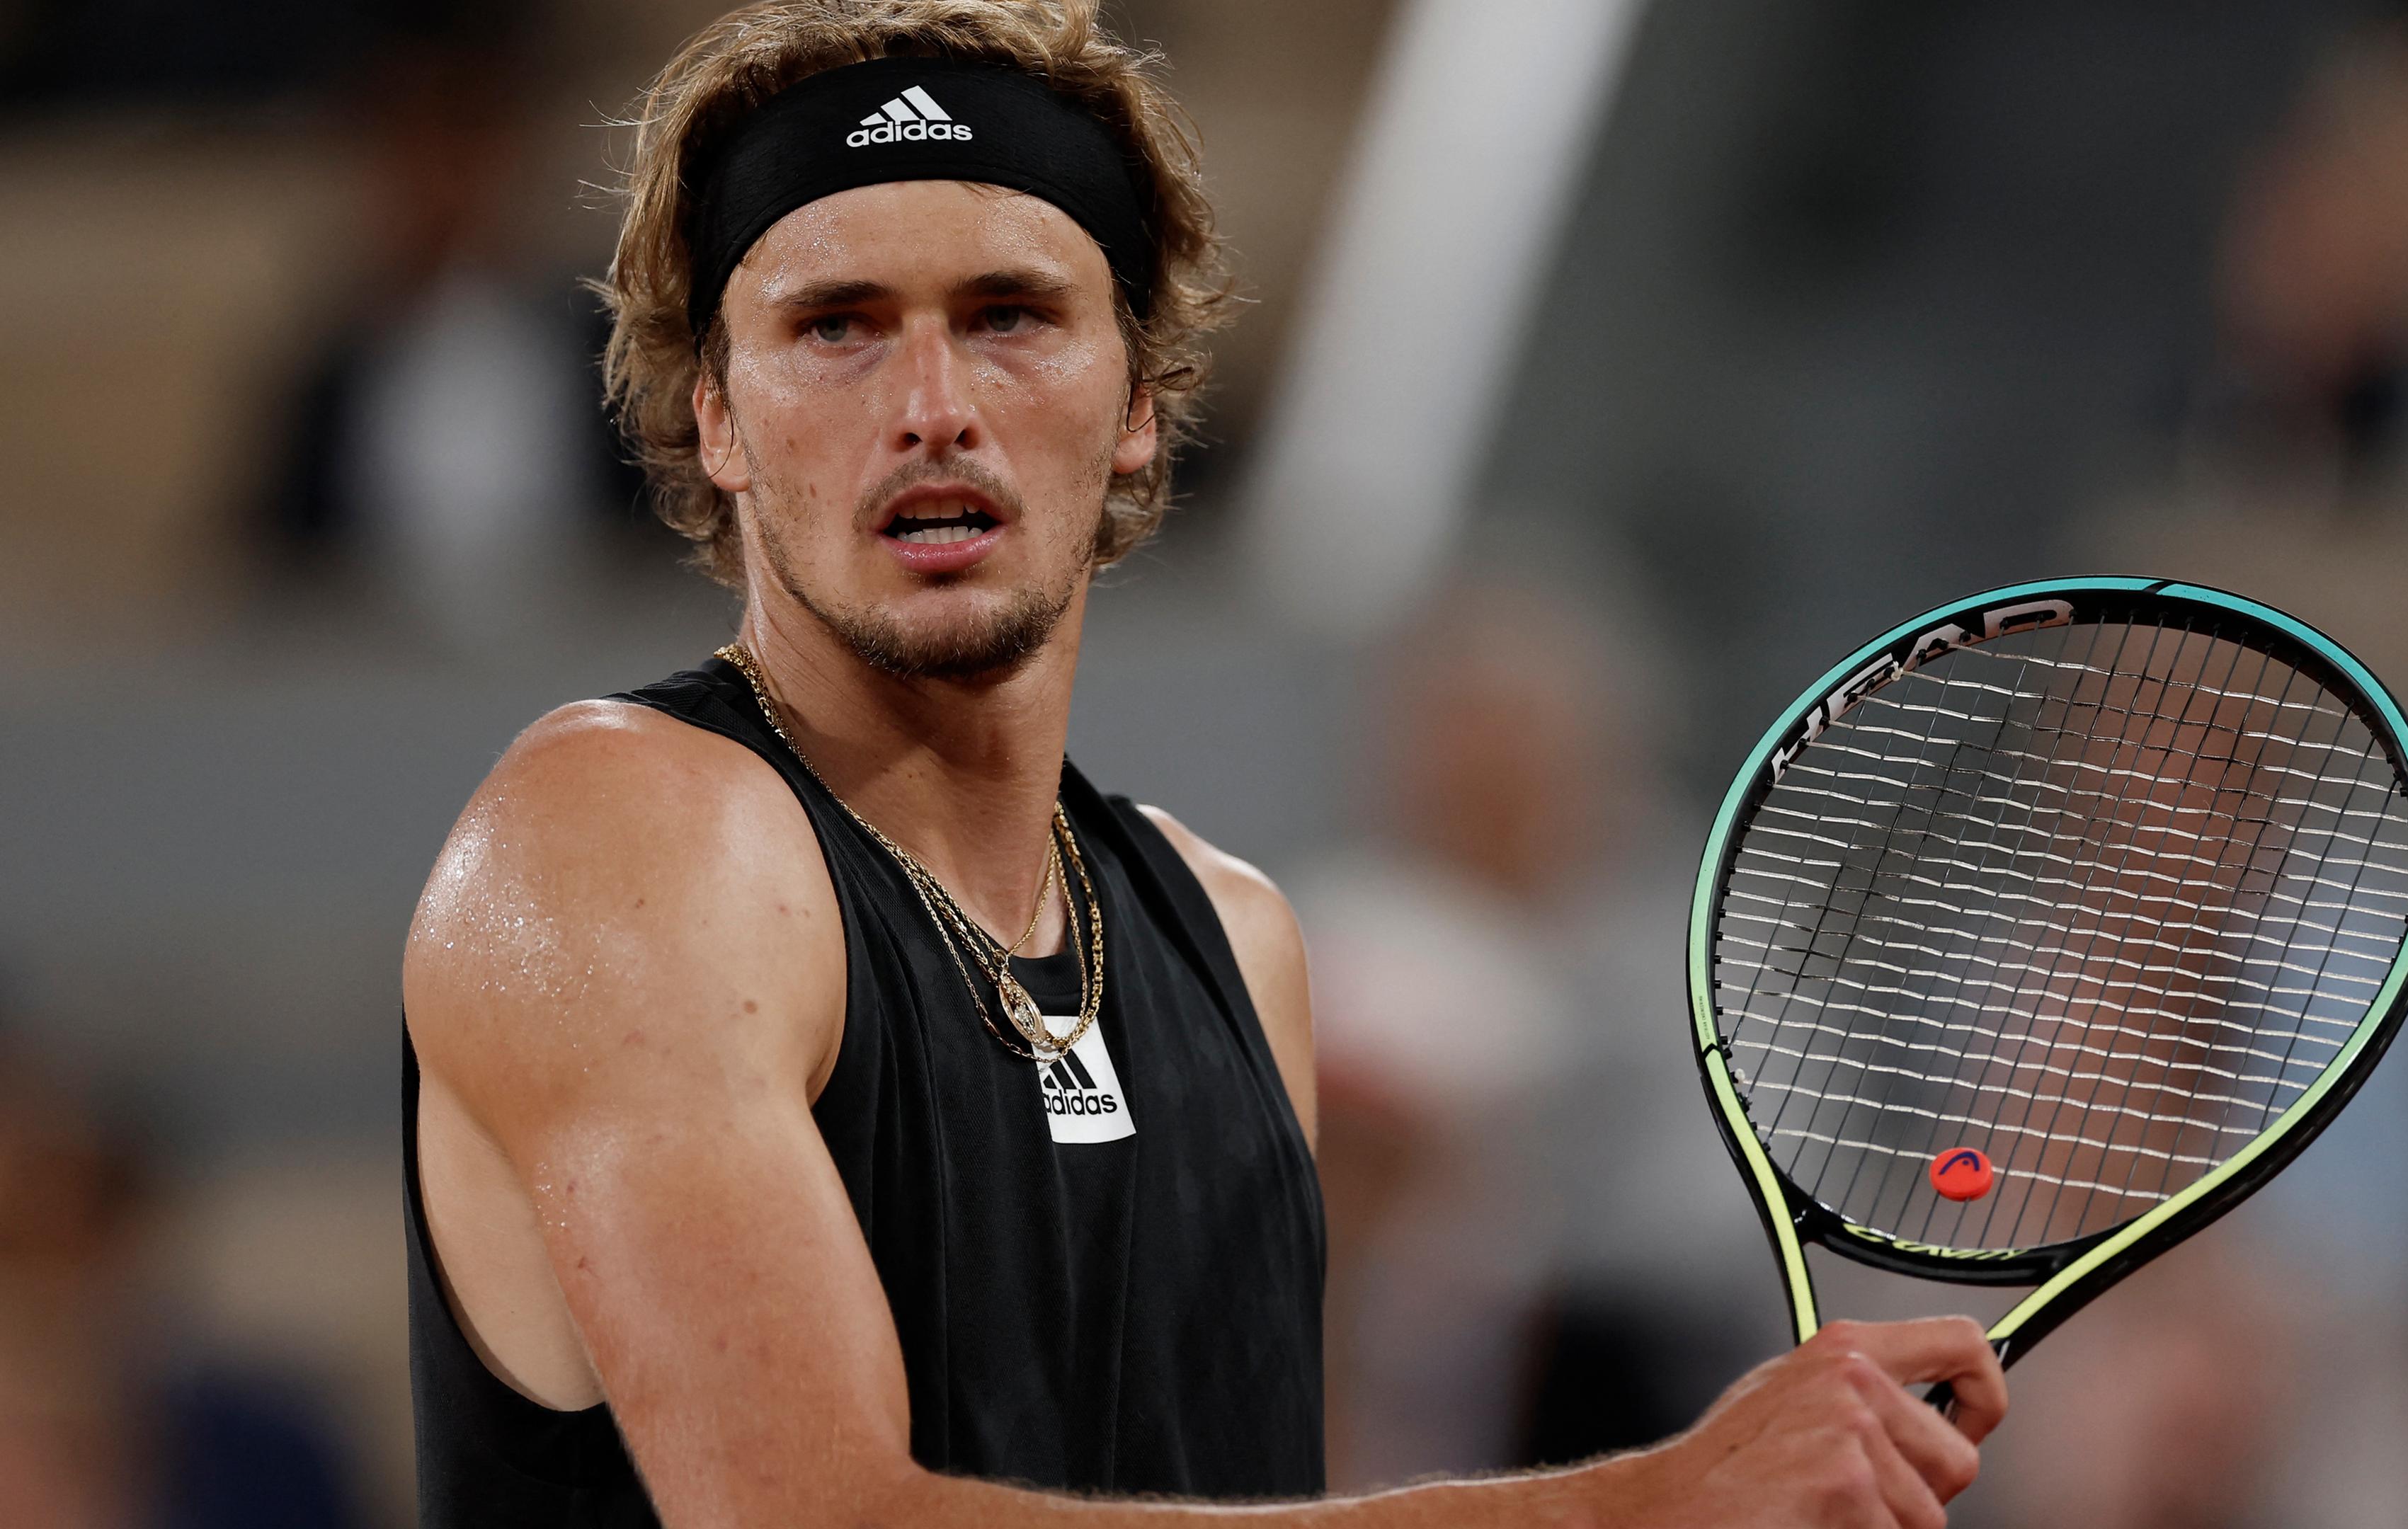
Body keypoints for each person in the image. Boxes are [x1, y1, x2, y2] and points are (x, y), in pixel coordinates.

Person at [399, 3, 2007, 1525]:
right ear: (717, 421)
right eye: (837, 328)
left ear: (1141, 408)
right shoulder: (616, 838)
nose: (933, 407)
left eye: (1010, 317)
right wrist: (1640, 1503)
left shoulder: (1238, 946)